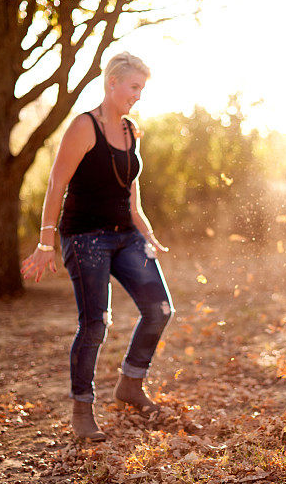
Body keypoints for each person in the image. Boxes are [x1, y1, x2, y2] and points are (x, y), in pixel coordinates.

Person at [21, 52, 174, 442]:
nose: (139, 95)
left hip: (126, 235)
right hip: (85, 236)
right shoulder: (83, 127)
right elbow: (56, 185)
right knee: (95, 323)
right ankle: (82, 408)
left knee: (159, 310)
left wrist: (146, 230)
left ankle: (130, 385)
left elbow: (130, 189)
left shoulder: (130, 130)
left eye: (143, 88)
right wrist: (45, 242)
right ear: (112, 83)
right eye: (134, 87)